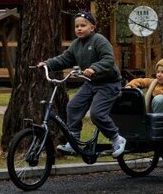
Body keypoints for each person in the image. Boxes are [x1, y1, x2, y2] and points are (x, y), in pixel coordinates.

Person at [38, 10, 126, 157]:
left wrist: (94, 68)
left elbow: (108, 60)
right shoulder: (76, 44)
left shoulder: (99, 40)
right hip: (91, 83)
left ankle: (117, 139)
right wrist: (47, 64)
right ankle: (74, 141)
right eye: (77, 26)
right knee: (73, 106)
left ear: (92, 27)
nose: (79, 28)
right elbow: (64, 59)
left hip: (108, 84)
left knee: (97, 114)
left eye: (83, 25)